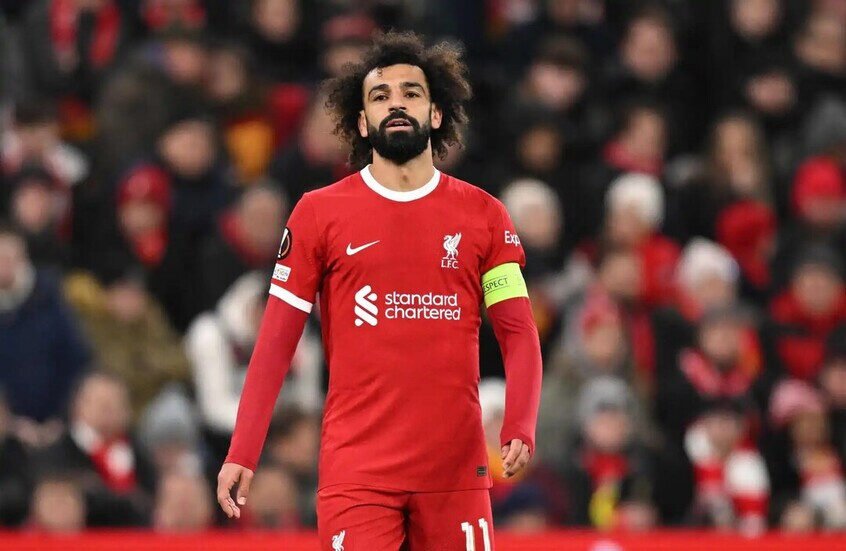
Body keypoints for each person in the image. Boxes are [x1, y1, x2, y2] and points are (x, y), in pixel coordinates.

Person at [217, 31, 543, 550]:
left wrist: (520, 423)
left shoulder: (485, 216)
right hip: (358, 472)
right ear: (363, 122)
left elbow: (518, 331)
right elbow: (276, 343)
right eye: (380, 96)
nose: (396, 104)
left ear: (436, 113)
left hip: (455, 472)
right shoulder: (319, 213)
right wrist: (243, 450)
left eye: (411, 93)